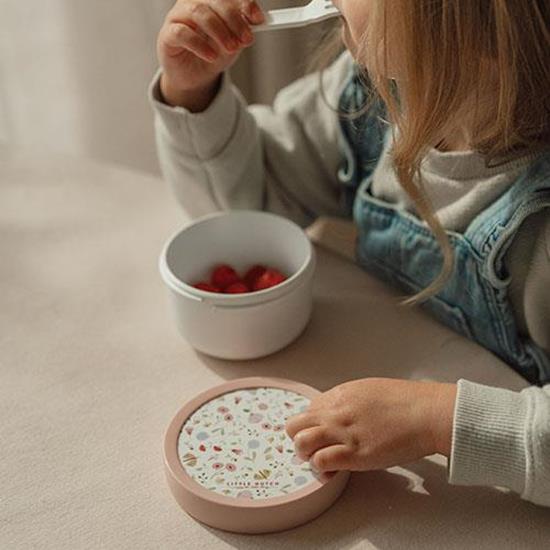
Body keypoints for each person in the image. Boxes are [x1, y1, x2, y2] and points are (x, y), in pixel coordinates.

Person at [149, 0, 550, 506]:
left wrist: (433, 420)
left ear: (473, 28)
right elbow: (245, 213)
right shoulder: (366, 92)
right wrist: (192, 91)